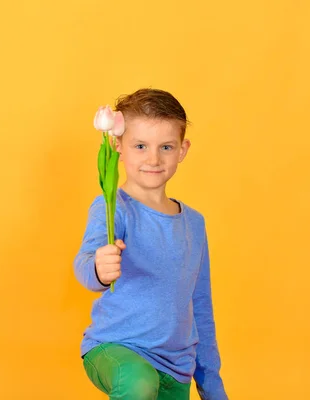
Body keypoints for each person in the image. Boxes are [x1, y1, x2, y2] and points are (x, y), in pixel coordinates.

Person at [73, 88, 228, 400]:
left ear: (182, 150)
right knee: (139, 382)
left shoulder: (194, 224)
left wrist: (212, 386)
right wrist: (99, 269)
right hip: (117, 348)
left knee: (149, 384)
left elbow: (200, 306)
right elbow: (86, 264)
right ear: (118, 145)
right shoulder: (113, 207)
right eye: (140, 145)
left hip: (175, 367)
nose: (153, 158)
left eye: (166, 147)